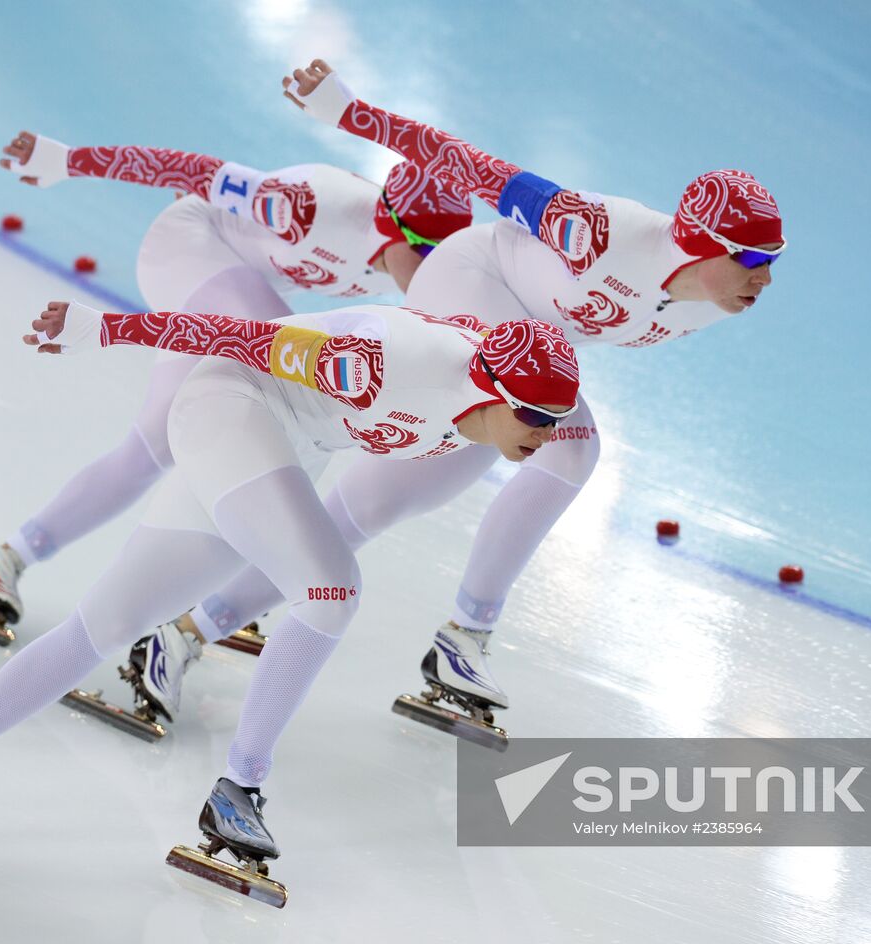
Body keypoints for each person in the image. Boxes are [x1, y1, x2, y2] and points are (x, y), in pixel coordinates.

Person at [0, 296, 580, 904]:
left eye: (556, 422)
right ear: (494, 393)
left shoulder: (489, 390)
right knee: (331, 588)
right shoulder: (382, 364)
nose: (547, 438)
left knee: (108, 624)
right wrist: (106, 327)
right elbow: (235, 334)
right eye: (538, 421)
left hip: (281, 443)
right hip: (232, 406)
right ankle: (239, 788)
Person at [174, 59, 787, 740]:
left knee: (377, 503)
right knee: (573, 445)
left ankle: (192, 628)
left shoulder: (717, 299)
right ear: (705, 244)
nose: (764, 280)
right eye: (754, 260)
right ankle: (465, 635)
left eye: (774, 262)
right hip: (472, 283)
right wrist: (349, 112)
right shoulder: (600, 232)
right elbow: (470, 166)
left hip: (527, 346)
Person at [0, 128, 473, 654]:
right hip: (187, 247)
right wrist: (68, 161)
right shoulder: (311, 206)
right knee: (290, 392)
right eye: (424, 253)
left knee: (152, 447)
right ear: (395, 226)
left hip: (231, 288)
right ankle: (246, 570)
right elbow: (192, 170)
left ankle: (5, 561)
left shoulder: (422, 257)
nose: (428, 273)